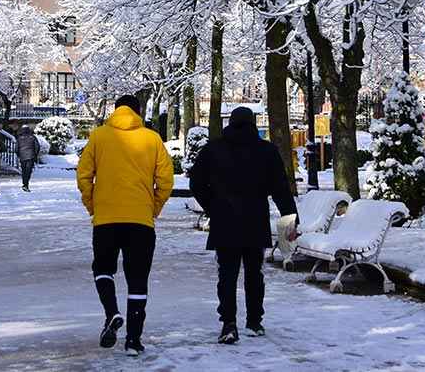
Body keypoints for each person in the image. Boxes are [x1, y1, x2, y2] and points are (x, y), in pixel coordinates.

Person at [188, 106, 298, 345]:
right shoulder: (266, 151)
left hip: (224, 220)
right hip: (254, 219)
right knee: (254, 273)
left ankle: (228, 322)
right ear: (253, 123)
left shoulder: (213, 149)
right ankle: (255, 320)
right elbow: (280, 188)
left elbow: (196, 183)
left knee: (226, 273)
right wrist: (290, 217)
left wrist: (211, 205)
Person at [76, 95, 174, 356]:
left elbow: (84, 175)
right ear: (138, 111)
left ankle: (112, 312)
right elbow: (165, 179)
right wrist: (153, 207)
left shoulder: (98, 136)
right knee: (138, 280)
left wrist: (93, 206)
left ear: (115, 110)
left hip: (106, 219)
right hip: (140, 221)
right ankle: (133, 340)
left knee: (102, 268)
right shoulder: (152, 139)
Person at [15, 125, 40, 192]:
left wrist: (18, 155)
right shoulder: (33, 137)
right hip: (31, 156)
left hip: (22, 157)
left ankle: (24, 184)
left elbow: (16, 148)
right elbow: (37, 147)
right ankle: (26, 184)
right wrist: (35, 154)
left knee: (24, 171)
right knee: (28, 171)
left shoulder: (19, 138)